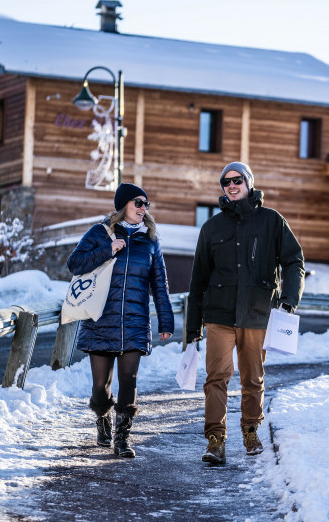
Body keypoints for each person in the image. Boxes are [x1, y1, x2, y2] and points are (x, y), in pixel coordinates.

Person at [187, 161, 304, 465]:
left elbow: (294, 262)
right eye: (226, 183)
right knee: (217, 377)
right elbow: (198, 278)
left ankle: (251, 430)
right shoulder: (212, 227)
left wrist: (289, 299)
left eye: (237, 180)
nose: (232, 186)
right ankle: (215, 440)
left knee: (253, 378)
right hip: (219, 315)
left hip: (257, 313)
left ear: (249, 183)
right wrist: (192, 327)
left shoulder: (272, 221)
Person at [67, 183, 174, 458]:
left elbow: (159, 284)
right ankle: (102, 417)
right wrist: (108, 250)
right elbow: (74, 264)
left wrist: (166, 321)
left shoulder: (150, 241)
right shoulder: (99, 233)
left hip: (135, 322)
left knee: (129, 378)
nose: (143, 208)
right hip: (101, 320)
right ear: (124, 204)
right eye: (138, 202)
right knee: (100, 388)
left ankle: (122, 438)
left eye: (146, 204)